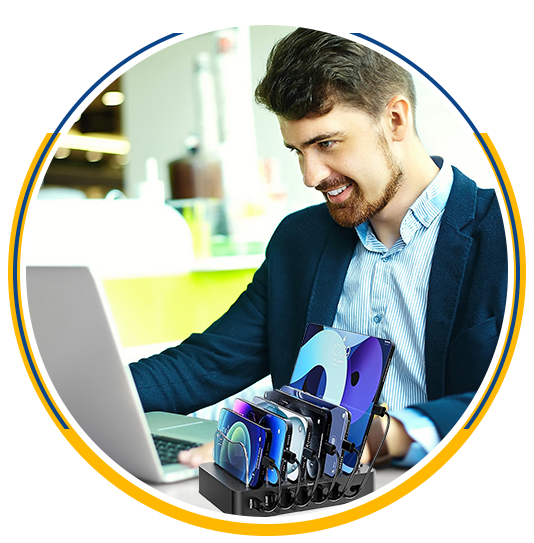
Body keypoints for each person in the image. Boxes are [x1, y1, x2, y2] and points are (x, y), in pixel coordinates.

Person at [130, 28, 509, 471]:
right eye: (298, 151)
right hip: (305, 497)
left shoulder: (509, 236)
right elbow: (205, 364)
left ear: (395, 119)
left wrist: (387, 436)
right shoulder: (299, 241)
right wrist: (72, 395)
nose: (311, 176)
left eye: (326, 143)